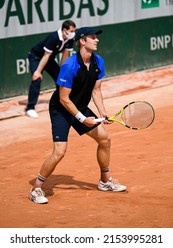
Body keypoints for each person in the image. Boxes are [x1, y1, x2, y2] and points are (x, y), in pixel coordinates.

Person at [29, 26, 127, 204]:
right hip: (60, 109)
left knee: (105, 139)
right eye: (92, 37)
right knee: (59, 152)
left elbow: (96, 90)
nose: (97, 40)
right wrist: (83, 119)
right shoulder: (69, 66)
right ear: (82, 41)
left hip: (80, 106)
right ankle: (36, 188)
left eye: (96, 37)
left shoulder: (98, 61)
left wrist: (102, 111)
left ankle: (105, 182)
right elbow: (64, 99)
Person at [26, 20, 76, 119]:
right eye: (71, 31)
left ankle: (62, 103)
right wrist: (38, 71)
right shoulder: (54, 37)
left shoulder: (70, 39)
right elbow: (46, 55)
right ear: (64, 30)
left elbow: (65, 55)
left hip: (49, 59)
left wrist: (63, 71)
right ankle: (30, 108)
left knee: (60, 78)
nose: (73, 33)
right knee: (37, 79)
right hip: (36, 57)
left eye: (74, 31)